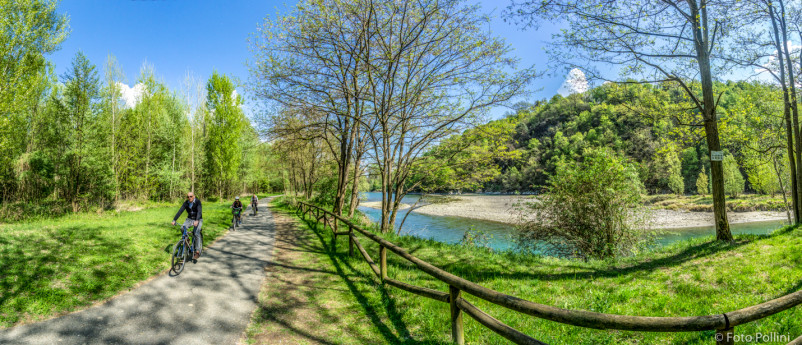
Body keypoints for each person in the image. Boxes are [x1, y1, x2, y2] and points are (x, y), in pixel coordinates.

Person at [172, 192, 203, 260]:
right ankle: (187, 240)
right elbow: (180, 211)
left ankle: (197, 251)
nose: (189, 198)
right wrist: (174, 220)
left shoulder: (197, 201)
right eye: (188, 197)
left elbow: (199, 212)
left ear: (194, 196)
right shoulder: (186, 203)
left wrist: (197, 220)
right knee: (182, 228)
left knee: (196, 233)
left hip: (198, 219)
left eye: (191, 196)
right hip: (189, 219)